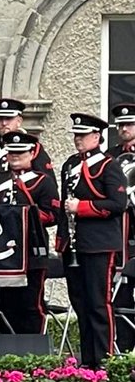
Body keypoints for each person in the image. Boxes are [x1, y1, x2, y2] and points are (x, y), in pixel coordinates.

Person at [58, 113, 127, 368]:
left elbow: (118, 203)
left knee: (98, 303)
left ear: (96, 137)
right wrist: (62, 240)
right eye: (76, 135)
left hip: (99, 244)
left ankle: (104, 361)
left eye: (83, 135)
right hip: (75, 245)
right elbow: (64, 205)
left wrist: (83, 207)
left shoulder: (108, 165)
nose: (78, 139)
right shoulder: (70, 164)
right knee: (81, 303)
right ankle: (87, 361)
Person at [0, 131, 59, 335]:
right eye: (11, 152)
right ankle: (4, 348)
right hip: (3, 254)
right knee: (4, 306)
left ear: (31, 154)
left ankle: (33, 348)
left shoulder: (43, 181)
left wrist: (23, 215)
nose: (15, 156)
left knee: (31, 305)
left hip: (31, 252)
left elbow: (53, 215)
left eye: (20, 152)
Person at [108, 103, 135, 351]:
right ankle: (124, 348)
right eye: (121, 125)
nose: (124, 129)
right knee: (121, 293)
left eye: (129, 124)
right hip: (119, 235)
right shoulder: (111, 156)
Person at [0, 98, 54, 174]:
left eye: (8, 118)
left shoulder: (33, 148)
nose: (4, 123)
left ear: (19, 121)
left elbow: (45, 178)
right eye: (0, 119)